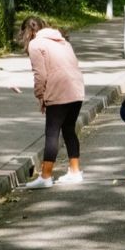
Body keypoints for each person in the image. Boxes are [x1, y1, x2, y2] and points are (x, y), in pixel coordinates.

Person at [18, 16, 86, 188]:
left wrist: (40, 96)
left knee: (52, 132)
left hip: (59, 89)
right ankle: (75, 171)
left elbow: (40, 75)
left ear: (27, 32)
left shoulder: (36, 44)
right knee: (69, 129)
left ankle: (46, 176)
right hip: (77, 89)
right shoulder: (62, 41)